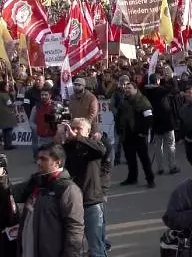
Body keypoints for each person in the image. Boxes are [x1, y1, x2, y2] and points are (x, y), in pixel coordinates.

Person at [1, 143, 85, 257]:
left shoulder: (69, 190)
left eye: (43, 159)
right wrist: (2, 176)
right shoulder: (37, 181)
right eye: (38, 158)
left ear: (57, 162)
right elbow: (9, 194)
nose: (38, 163)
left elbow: (75, 229)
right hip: (28, 250)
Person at [58, 117, 107, 257]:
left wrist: (78, 138)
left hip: (90, 202)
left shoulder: (93, 147)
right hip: (72, 203)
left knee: (95, 247)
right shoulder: (68, 147)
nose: (74, 131)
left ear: (87, 131)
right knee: (74, 246)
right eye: (72, 128)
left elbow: (102, 151)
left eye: (78, 129)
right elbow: (53, 156)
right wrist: (60, 135)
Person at [118, 82, 155, 188]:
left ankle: (150, 179)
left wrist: (143, 132)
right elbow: (119, 116)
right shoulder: (124, 101)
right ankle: (132, 178)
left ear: (135, 89)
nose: (126, 90)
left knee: (144, 159)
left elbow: (149, 118)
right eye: (126, 88)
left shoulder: (142, 101)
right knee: (130, 159)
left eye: (129, 88)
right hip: (127, 135)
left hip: (139, 135)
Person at [144, 73, 180, 175]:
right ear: (158, 81)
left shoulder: (146, 90)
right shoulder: (160, 90)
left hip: (155, 121)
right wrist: (171, 78)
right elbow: (174, 88)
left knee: (158, 146)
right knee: (170, 144)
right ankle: (172, 166)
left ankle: (160, 167)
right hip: (166, 120)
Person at [29, 86, 58, 152]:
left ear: (50, 95)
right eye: (42, 95)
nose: (44, 96)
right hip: (40, 138)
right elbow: (31, 121)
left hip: (53, 138)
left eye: (46, 95)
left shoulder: (55, 106)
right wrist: (38, 129)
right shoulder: (36, 107)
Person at [23, 74, 45, 159]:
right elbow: (26, 105)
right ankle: (36, 156)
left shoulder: (47, 91)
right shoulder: (29, 92)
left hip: (45, 118)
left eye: (40, 80)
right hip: (34, 118)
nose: (37, 81)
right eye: (36, 80)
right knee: (35, 138)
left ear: (44, 81)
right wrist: (30, 117)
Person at [0, 80, 16, 150]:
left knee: (4, 131)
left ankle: (6, 145)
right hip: (8, 115)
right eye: (6, 86)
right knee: (9, 131)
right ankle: (8, 145)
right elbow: (10, 104)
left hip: (2, 116)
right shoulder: (5, 95)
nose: (8, 87)